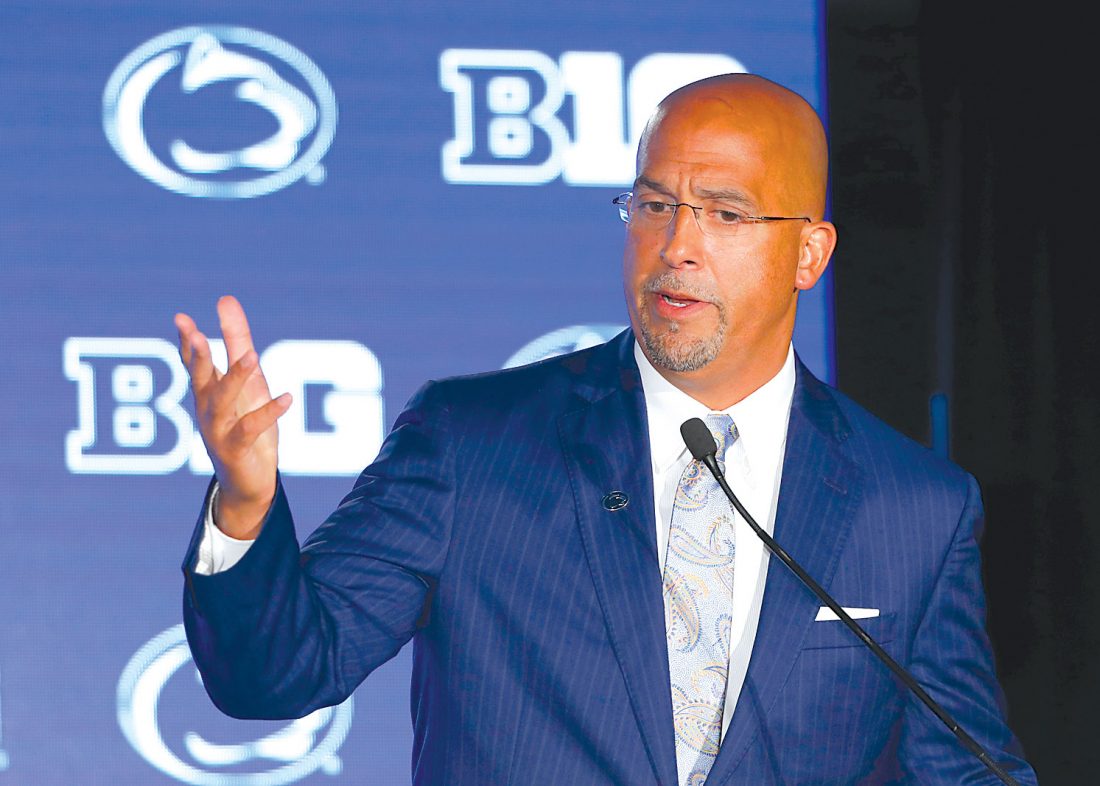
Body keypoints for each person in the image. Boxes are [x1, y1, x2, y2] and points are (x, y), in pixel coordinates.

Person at [176, 74, 1038, 785]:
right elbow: (273, 674)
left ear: (809, 254)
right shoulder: (471, 446)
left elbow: (964, 767)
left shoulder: (914, 508)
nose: (677, 246)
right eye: (655, 205)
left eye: (725, 214)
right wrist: (245, 505)